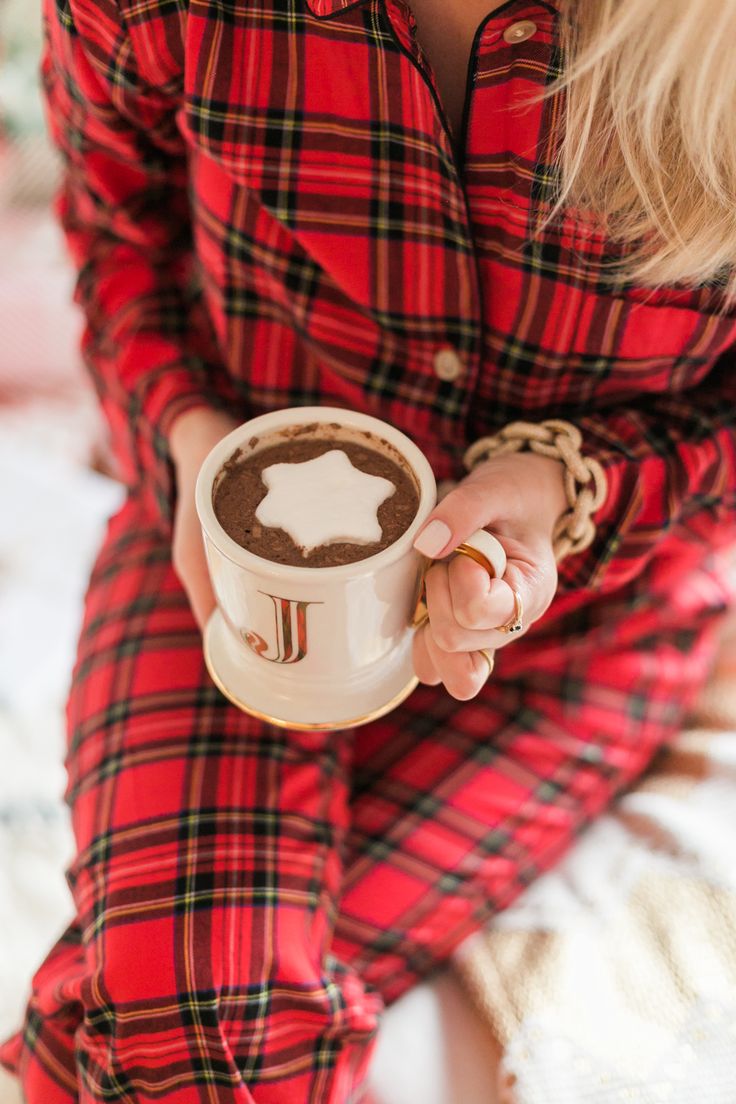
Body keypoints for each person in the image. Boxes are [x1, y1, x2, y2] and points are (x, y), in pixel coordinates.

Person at [2, 0, 735, 1100]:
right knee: (198, 1009)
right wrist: (188, 444)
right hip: (215, 578)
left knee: (187, 1031)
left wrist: (574, 487)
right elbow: (118, 242)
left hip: (584, 630)